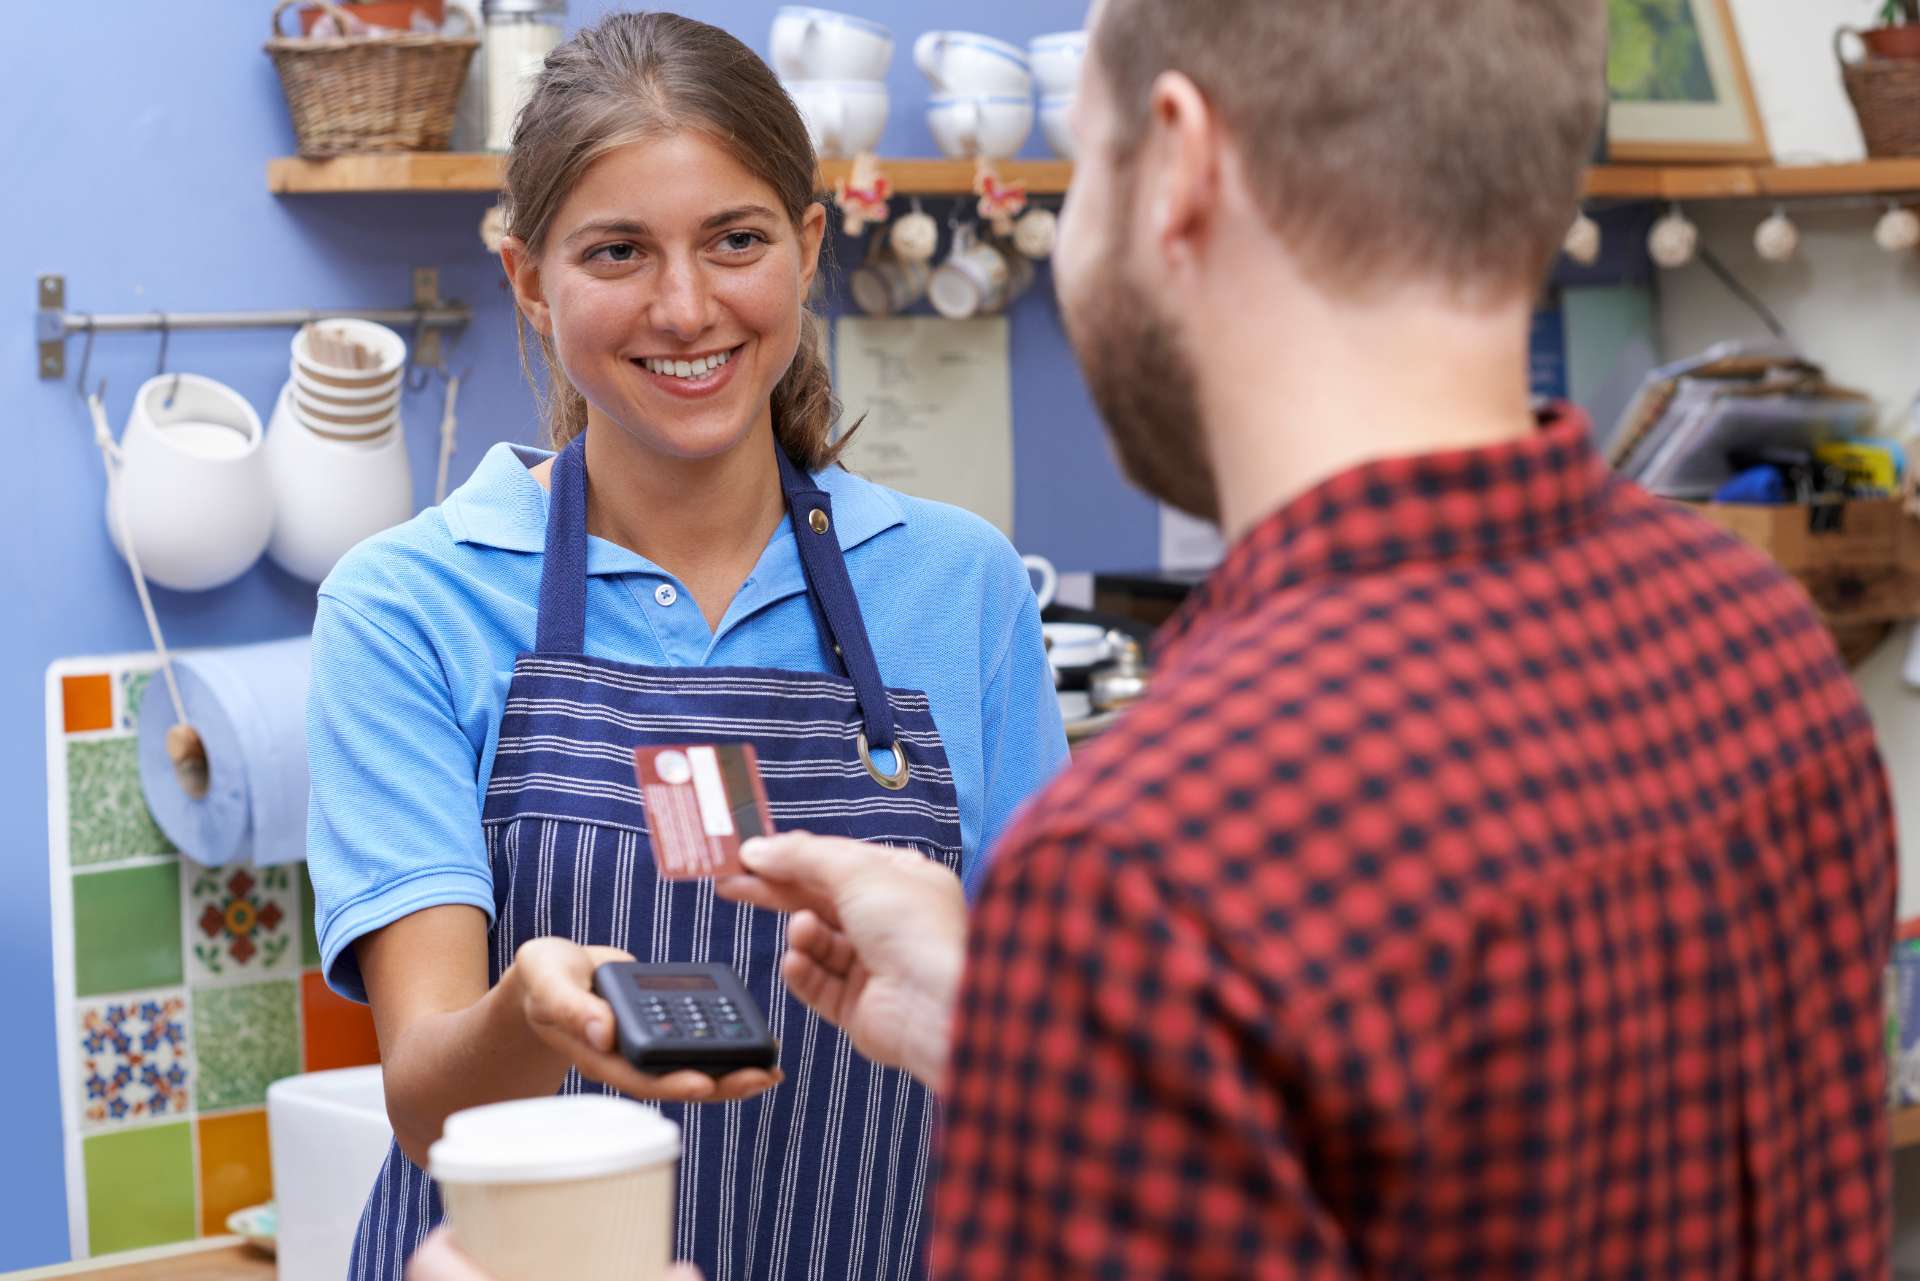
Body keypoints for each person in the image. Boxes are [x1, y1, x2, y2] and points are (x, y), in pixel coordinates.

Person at [409, 0, 1902, 1275]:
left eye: (1090, 158)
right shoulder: (1760, 652)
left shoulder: (1156, 860)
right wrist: (1012, 1015)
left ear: (1176, 164)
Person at [305, 12, 1067, 1281]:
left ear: (808, 248)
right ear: (532, 285)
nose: (686, 305)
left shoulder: (959, 584)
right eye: (617, 251)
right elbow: (429, 1104)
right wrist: (527, 1009)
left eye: (737, 240)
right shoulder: (408, 607)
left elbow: (1053, 1050)